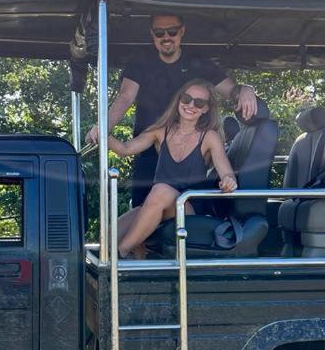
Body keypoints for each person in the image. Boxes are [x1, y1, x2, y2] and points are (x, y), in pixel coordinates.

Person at [86, 13, 258, 207]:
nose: (166, 37)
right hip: (148, 152)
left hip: (189, 159)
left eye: (172, 31)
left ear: (182, 31)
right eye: (159, 33)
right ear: (152, 34)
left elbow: (230, 90)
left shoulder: (197, 62)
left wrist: (245, 90)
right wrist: (103, 128)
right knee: (140, 211)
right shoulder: (141, 60)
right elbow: (126, 96)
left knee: (165, 202)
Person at [107, 80, 237, 258]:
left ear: (206, 109)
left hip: (188, 208)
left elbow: (227, 173)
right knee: (111, 234)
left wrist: (229, 181)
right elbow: (125, 149)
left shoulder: (210, 137)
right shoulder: (161, 131)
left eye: (199, 103)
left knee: (160, 190)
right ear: (179, 100)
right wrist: (101, 132)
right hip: (158, 204)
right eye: (186, 99)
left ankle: (120, 253)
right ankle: (138, 264)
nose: (191, 105)